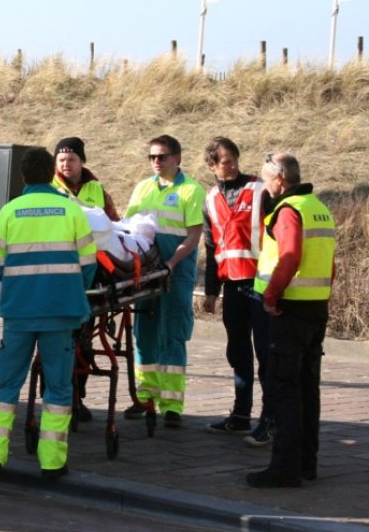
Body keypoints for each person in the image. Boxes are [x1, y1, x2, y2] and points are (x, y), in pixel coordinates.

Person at [0, 147, 97, 485]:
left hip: (19, 313)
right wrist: (71, 288)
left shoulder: (8, 212)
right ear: (51, 174)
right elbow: (88, 265)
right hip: (61, 312)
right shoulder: (71, 211)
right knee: (59, 389)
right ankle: (52, 462)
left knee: (5, 385)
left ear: (23, 176)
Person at [247, 153, 336, 488]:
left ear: (280, 179)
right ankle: (305, 463)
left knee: (284, 389)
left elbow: (289, 256)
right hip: (316, 308)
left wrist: (271, 297)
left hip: (289, 309)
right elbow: (330, 264)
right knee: (307, 388)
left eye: (265, 179)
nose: (263, 186)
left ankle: (284, 469)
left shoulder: (287, 211)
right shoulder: (318, 207)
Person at [124, 135, 205, 428]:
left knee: (172, 333)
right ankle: (145, 396)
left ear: (177, 158)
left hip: (176, 272)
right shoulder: (142, 189)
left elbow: (194, 235)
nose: (156, 162)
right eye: (152, 157)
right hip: (145, 272)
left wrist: (171, 263)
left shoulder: (191, 190)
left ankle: (171, 404)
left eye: (162, 156)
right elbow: (129, 229)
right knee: (143, 331)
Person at [200, 137, 273, 446]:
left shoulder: (260, 190)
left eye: (233, 159)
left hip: (261, 283)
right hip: (232, 286)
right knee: (238, 352)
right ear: (212, 166)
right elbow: (211, 246)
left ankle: (269, 420)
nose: (230, 164)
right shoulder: (211, 198)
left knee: (267, 355)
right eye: (224, 161)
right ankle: (241, 415)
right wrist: (211, 292)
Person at [51, 136, 118, 422]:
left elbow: (113, 226)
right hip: (57, 273)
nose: (67, 164)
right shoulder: (49, 189)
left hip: (90, 274)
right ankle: (56, 398)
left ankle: (77, 397)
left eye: (72, 159)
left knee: (84, 339)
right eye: (62, 160)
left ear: (82, 161)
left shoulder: (97, 190)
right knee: (55, 341)